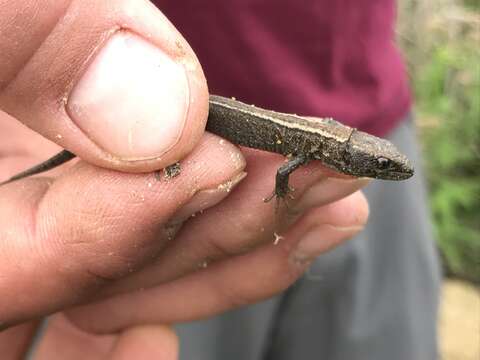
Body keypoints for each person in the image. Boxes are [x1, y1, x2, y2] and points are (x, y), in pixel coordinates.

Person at [0, 1, 439, 360]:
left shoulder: (324, 145)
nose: (386, 171)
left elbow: (292, 162)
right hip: (176, 100)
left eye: (382, 166)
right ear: (349, 153)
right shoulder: (314, 146)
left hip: (365, 89)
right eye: (380, 166)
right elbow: (285, 169)